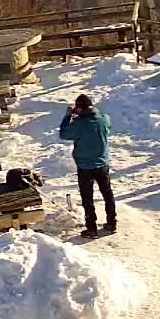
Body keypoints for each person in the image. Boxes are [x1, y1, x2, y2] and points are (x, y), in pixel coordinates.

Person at [58, 94, 115, 238]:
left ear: (79, 108)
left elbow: (64, 134)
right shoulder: (104, 118)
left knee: (87, 198)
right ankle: (112, 223)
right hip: (102, 163)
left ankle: (92, 229)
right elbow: (106, 127)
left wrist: (68, 117)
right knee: (107, 194)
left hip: (85, 166)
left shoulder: (78, 124)